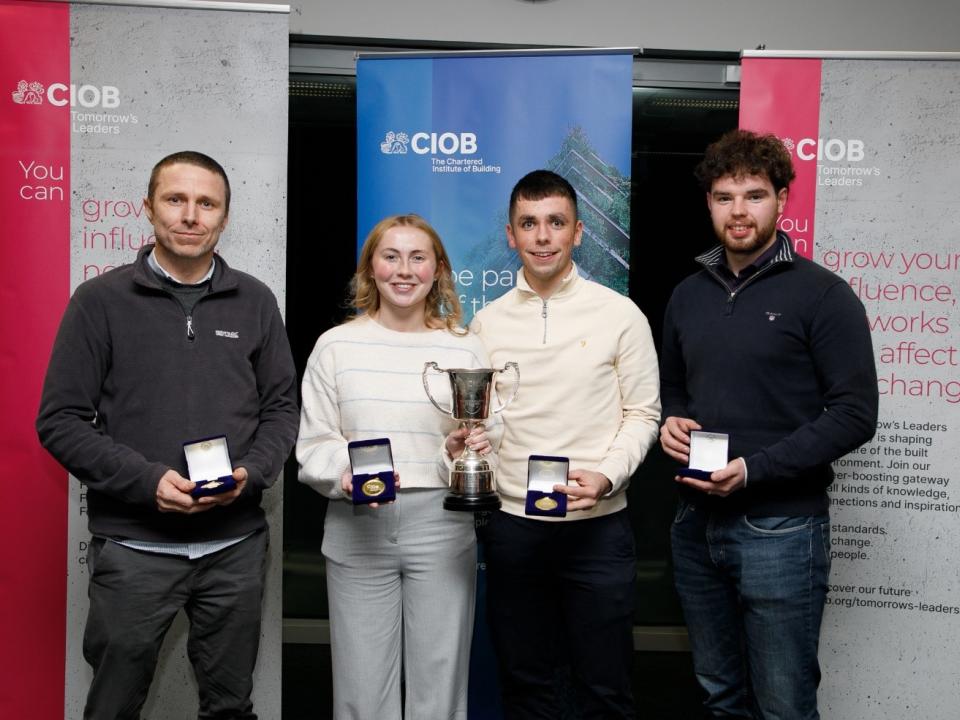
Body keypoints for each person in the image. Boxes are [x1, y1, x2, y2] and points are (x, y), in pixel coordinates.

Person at [36, 151, 299, 720]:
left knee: (230, 708)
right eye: (176, 199)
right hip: (133, 551)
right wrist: (147, 481)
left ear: (224, 217)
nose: (190, 215)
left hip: (234, 548)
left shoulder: (256, 301)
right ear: (148, 209)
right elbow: (59, 421)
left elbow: (282, 409)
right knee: (112, 707)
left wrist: (251, 474)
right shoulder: (99, 302)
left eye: (207, 203)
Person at [659, 129, 879, 719]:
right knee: (719, 695)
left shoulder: (823, 295)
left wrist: (755, 470)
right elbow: (675, 385)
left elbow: (856, 415)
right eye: (725, 196)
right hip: (695, 524)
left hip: (782, 530)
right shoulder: (687, 295)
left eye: (754, 195)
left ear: (782, 200)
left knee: (783, 704)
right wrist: (671, 418)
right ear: (708, 202)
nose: (739, 211)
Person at [473, 170, 662, 718]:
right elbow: (482, 421)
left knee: (604, 687)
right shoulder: (484, 324)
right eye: (528, 224)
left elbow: (643, 413)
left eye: (555, 223)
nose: (542, 236)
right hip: (513, 529)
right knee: (526, 684)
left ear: (578, 232)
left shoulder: (620, 314)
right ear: (511, 235)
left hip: (598, 529)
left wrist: (608, 475)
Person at [296, 214, 498, 720]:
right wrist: (342, 476)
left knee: (439, 682)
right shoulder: (335, 346)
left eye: (417, 257)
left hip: (441, 524)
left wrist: (456, 451)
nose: (403, 270)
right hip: (357, 523)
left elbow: (484, 435)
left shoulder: (464, 347)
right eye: (390, 257)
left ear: (437, 270)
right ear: (371, 269)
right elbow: (316, 441)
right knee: (362, 692)